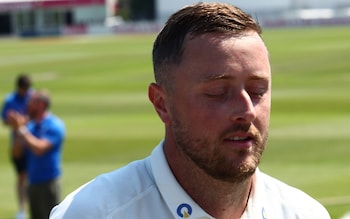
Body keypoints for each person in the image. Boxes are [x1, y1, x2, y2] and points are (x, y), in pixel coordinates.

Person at [50, 2, 330, 219]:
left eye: (258, 90)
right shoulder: (93, 213)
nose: (246, 110)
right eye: (217, 93)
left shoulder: (303, 212)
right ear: (162, 104)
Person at [7, 89, 66, 219]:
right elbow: (17, 154)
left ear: (41, 105)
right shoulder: (31, 127)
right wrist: (17, 131)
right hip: (32, 183)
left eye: (32, 102)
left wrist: (22, 130)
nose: (28, 105)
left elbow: (39, 149)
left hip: (49, 184)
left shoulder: (54, 125)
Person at [1, 74, 32, 219]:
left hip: (32, 140)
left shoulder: (33, 97)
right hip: (18, 144)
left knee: (34, 176)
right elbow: (5, 121)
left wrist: (23, 121)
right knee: (21, 177)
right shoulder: (10, 100)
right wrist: (14, 122)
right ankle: (22, 209)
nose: (26, 92)